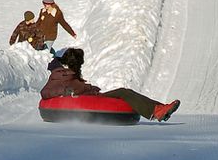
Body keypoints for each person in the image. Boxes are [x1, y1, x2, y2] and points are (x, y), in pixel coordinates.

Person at [42, 48, 180, 122]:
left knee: (124, 92)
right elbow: (45, 92)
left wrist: (90, 88)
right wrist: (66, 91)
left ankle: (160, 108)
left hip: (93, 97)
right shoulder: (59, 74)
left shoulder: (70, 73)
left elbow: (79, 87)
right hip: (89, 101)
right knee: (123, 93)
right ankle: (157, 111)